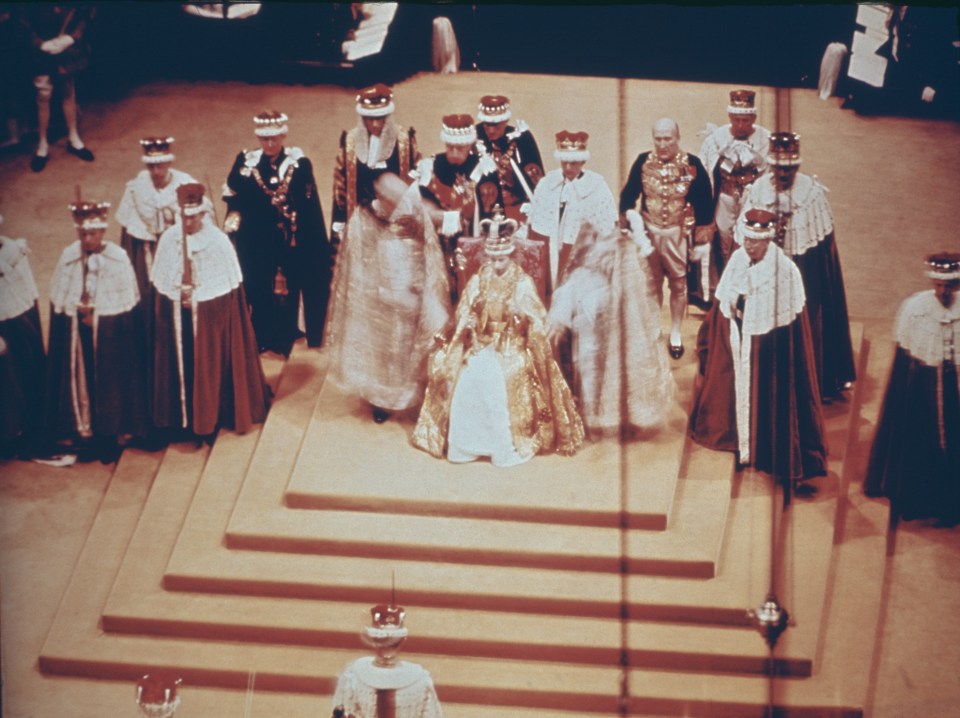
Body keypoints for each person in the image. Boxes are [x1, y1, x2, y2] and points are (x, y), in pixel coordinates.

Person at [413, 211, 584, 466]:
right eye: (492, 258)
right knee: (465, 378)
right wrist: (468, 322)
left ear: (511, 255)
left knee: (494, 382)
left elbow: (537, 321)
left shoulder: (522, 283)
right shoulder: (479, 278)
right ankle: (465, 445)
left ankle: (502, 446)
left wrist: (519, 317)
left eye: (502, 258)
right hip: (481, 342)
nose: (496, 264)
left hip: (512, 345)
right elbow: (464, 310)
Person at [689, 209, 827, 499]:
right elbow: (724, 301)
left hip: (768, 351)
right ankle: (738, 441)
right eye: (747, 239)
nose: (749, 245)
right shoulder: (739, 259)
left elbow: (791, 328)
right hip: (737, 340)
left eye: (755, 241)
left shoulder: (785, 272)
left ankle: (765, 451)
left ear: (767, 241)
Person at [736, 131, 856, 401]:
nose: (783, 174)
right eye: (778, 168)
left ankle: (807, 383)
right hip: (764, 270)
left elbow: (824, 252)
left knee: (804, 321)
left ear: (797, 167)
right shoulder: (757, 191)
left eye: (788, 169)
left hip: (803, 269)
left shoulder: (812, 195)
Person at [324, 173, 451, 425]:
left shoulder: (412, 212)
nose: (400, 205)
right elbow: (356, 262)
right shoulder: (365, 220)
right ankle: (381, 400)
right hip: (378, 301)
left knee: (413, 347)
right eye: (393, 200)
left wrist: (422, 284)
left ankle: (414, 394)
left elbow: (430, 249)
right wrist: (373, 290)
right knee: (384, 355)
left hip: (412, 295)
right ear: (382, 198)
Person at [152, 183, 270, 440]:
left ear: (202, 214)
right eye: (184, 217)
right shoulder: (170, 240)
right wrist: (178, 296)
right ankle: (181, 420)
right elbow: (164, 285)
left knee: (209, 364)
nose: (189, 223)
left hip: (208, 325)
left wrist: (195, 300)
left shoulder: (217, 242)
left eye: (193, 217)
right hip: (179, 323)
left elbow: (223, 294)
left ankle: (210, 418)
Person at [548, 222, 674, 437]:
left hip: (615, 323)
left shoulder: (625, 252)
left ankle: (623, 419)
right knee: (587, 370)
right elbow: (573, 281)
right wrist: (561, 317)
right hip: (587, 322)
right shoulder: (584, 251)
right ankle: (591, 419)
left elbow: (632, 295)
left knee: (617, 371)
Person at [45, 199, 148, 463]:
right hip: (78, 344)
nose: (87, 239)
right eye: (83, 234)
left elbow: (124, 311)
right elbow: (60, 303)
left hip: (109, 345)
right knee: (80, 383)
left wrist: (99, 319)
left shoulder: (118, 259)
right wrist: (77, 316)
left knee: (110, 385)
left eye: (92, 233)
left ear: (102, 232)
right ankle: (82, 429)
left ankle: (111, 432)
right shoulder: (70, 256)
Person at [223, 110, 332, 356]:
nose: (269, 144)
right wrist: (234, 218)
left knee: (290, 287)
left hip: (291, 241)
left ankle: (290, 332)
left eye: (274, 139)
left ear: (283, 135)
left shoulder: (298, 164)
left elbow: (309, 205)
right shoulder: (247, 162)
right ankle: (262, 335)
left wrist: (313, 241)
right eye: (264, 139)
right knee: (259, 287)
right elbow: (234, 196)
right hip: (257, 242)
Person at [864, 252, 960, 526]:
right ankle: (919, 500)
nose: (944, 291)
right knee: (922, 442)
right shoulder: (915, 309)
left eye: (949, 286)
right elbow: (905, 362)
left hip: (953, 391)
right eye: (939, 285)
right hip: (923, 389)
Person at [619, 117, 714, 359]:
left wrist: (702, 237)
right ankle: (653, 331)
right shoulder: (643, 161)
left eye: (667, 138)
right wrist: (627, 220)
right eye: (658, 139)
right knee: (651, 285)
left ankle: (675, 332)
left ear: (677, 138)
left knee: (678, 284)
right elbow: (629, 193)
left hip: (676, 234)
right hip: (648, 234)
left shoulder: (691, 165)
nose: (662, 144)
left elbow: (704, 198)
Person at [117, 136, 209, 337]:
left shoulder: (186, 184)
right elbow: (128, 236)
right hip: (148, 251)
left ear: (169, 162)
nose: (156, 172)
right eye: (151, 167)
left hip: (179, 250)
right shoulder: (136, 188)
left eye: (160, 165)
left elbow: (202, 223)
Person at [697, 89, 771, 298]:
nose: (740, 125)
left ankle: (747, 289)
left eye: (745, 120)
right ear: (729, 117)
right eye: (736, 120)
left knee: (745, 240)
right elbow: (705, 171)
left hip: (751, 197)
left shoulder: (765, 139)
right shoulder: (717, 138)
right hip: (724, 196)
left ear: (753, 119)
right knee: (723, 240)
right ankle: (720, 288)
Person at [528, 130, 618, 297]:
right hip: (550, 249)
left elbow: (606, 230)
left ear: (583, 160)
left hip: (579, 252)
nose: (569, 168)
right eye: (565, 162)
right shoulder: (547, 183)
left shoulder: (597, 186)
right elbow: (535, 222)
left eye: (574, 163)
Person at [331, 84, 420, 245]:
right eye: (370, 119)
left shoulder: (404, 141)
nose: (375, 125)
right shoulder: (350, 143)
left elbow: (416, 181)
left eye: (380, 118)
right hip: (361, 222)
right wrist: (339, 221)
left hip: (395, 223)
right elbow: (340, 187)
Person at [19, 4, 95, 172]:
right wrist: (38, 43)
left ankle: (74, 139)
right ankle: (42, 144)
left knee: (68, 92)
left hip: (66, 47)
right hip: (42, 47)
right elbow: (23, 18)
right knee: (43, 95)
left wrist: (73, 37)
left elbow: (87, 11)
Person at [331, 603, 442, 718]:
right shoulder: (353, 676)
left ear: (403, 639)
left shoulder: (420, 680)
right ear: (373, 639)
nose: (387, 650)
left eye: (393, 643)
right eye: (382, 641)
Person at [416, 113, 480, 300]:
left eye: (459, 148)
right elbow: (421, 206)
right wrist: (442, 217)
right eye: (449, 146)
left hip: (470, 240)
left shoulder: (482, 167)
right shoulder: (431, 166)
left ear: (469, 145)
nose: (453, 152)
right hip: (437, 243)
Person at [0, 215, 47, 459]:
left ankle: (29, 432)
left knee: (26, 375)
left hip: (19, 320)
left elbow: (27, 292)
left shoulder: (14, 250)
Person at [472, 94, 544, 225]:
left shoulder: (522, 138)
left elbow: (537, 184)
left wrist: (513, 179)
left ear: (505, 121)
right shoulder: (475, 138)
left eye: (496, 125)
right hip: (483, 214)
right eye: (487, 125)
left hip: (518, 209)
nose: (491, 130)